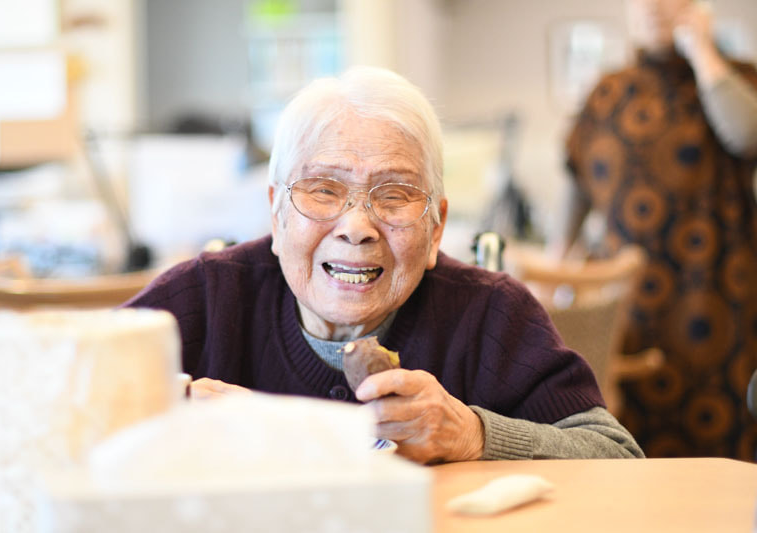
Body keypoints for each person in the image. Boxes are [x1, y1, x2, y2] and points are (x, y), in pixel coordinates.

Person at [125, 66, 643, 464]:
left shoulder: (490, 314)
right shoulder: (207, 299)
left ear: (436, 227)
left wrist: (473, 434)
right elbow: (56, 399)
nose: (356, 226)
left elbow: (617, 456)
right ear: (276, 215)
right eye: (324, 190)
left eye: (394, 195)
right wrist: (166, 408)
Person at [554, 0, 757, 459]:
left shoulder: (737, 78)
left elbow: (746, 134)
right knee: (629, 444)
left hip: (720, 302)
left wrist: (702, 49)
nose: (653, 6)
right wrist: (555, 269)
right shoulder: (607, 93)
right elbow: (576, 184)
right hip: (630, 311)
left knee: (719, 445)